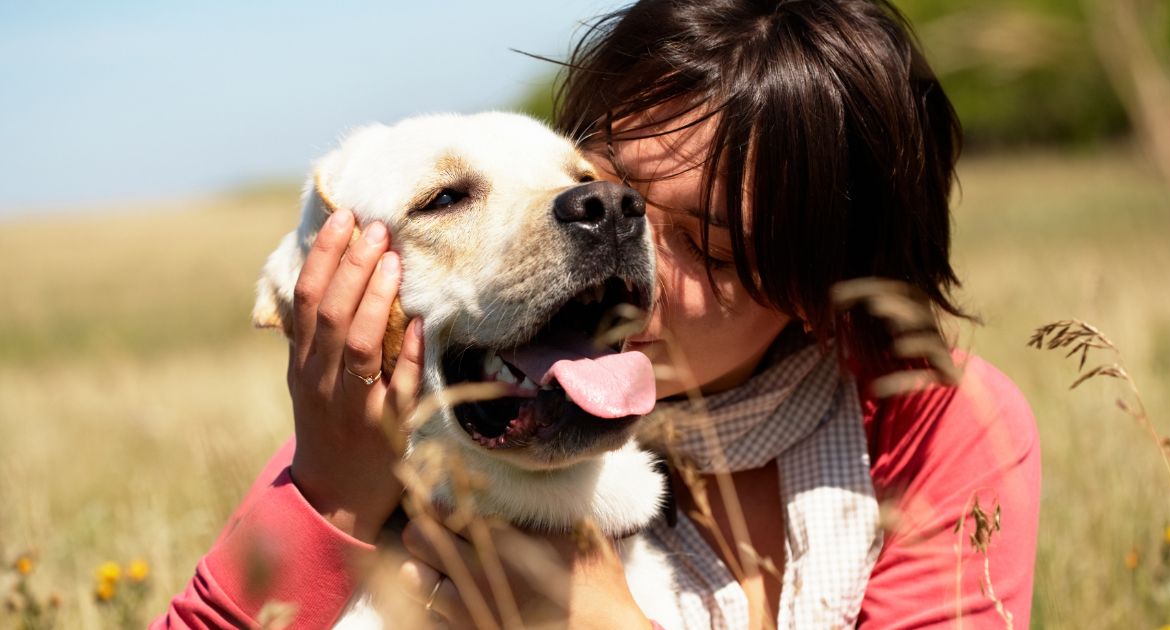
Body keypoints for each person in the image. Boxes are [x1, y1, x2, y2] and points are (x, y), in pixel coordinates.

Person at [153, 0, 1039, 628]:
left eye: (713, 250)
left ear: (824, 290)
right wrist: (334, 491)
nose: (626, 247)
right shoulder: (401, 425)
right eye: (598, 189)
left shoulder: (928, 425)